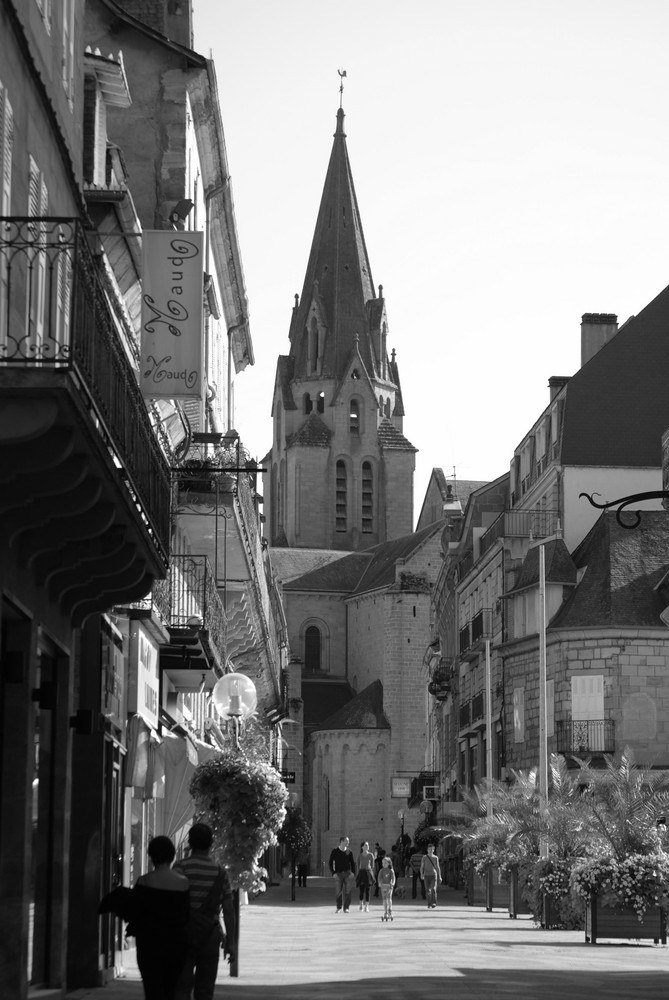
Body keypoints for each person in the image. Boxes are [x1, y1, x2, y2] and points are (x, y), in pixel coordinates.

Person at [173, 823, 235, 1000]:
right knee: (205, 990)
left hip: (183, 935)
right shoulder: (220, 873)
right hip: (210, 935)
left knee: (181, 987)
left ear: (190, 843)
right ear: (211, 844)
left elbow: (172, 903)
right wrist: (230, 942)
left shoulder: (180, 867)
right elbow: (229, 910)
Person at [130, 835, 190, 1000]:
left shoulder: (144, 882)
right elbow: (187, 915)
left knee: (152, 989)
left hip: (149, 944)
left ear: (151, 857)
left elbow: (135, 913)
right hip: (176, 943)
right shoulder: (183, 883)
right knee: (170, 989)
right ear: (172, 857)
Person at [328, 835, 356, 913]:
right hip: (338, 874)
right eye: (347, 841)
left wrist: (353, 873)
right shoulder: (335, 851)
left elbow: (352, 863)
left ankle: (346, 908)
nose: (348, 842)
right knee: (338, 891)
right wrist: (333, 873)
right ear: (342, 841)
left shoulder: (349, 852)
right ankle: (339, 907)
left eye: (348, 841)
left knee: (348, 891)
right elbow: (330, 862)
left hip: (348, 874)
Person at [355, 840, 376, 911]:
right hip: (361, 872)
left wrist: (370, 872)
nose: (367, 846)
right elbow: (357, 865)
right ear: (362, 847)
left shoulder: (371, 855)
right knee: (361, 890)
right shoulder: (360, 855)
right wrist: (358, 873)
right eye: (366, 845)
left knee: (368, 890)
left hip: (368, 873)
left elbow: (372, 865)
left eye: (368, 845)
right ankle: (361, 904)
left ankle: (366, 906)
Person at [420, 843, 442, 909]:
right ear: (427, 850)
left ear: (433, 850)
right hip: (426, 875)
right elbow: (422, 867)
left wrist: (440, 876)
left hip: (433, 875)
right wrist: (421, 874)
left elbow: (438, 867)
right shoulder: (424, 857)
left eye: (432, 849)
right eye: (429, 849)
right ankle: (429, 903)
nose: (430, 851)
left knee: (433, 889)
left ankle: (434, 903)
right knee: (428, 890)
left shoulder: (435, 858)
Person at [377, 856, 396, 922]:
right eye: (383, 863)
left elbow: (393, 878)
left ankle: (390, 909)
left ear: (388, 863)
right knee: (384, 899)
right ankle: (385, 911)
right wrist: (379, 883)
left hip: (389, 886)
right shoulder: (381, 871)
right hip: (383, 886)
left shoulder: (391, 870)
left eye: (385, 863)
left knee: (389, 898)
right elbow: (379, 877)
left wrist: (392, 883)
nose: (384, 864)